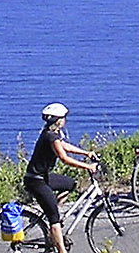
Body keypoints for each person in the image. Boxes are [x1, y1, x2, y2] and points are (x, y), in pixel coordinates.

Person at [25, 103, 99, 253]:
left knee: (70, 184)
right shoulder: (50, 136)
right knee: (55, 218)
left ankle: (51, 215)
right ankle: (60, 247)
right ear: (58, 120)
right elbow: (64, 158)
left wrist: (86, 153)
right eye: (64, 118)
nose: (66, 120)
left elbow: (65, 146)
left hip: (43, 177)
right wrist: (87, 167)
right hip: (35, 180)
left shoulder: (53, 133)